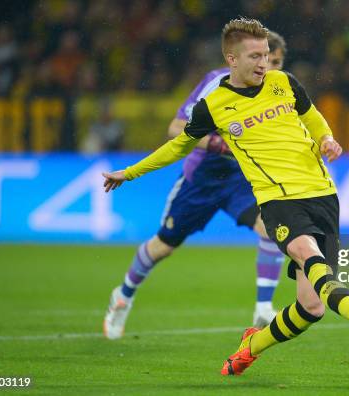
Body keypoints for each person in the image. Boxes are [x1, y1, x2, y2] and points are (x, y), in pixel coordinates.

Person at [102, 18, 349, 375]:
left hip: (314, 194)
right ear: (232, 59)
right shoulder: (214, 100)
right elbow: (177, 141)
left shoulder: (284, 83)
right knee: (167, 245)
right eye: (256, 56)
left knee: (311, 307)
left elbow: (313, 116)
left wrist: (326, 138)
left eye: (269, 56)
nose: (265, 64)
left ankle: (252, 342)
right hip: (234, 188)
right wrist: (129, 173)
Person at [103, 31, 288, 340]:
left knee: (269, 226)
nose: (269, 67)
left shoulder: (279, 88)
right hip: (200, 180)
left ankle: (264, 307)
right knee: (163, 246)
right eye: (262, 59)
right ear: (240, 58)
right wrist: (216, 143)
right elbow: (176, 128)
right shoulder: (216, 83)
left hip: (240, 181)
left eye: (275, 61)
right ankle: (122, 295)